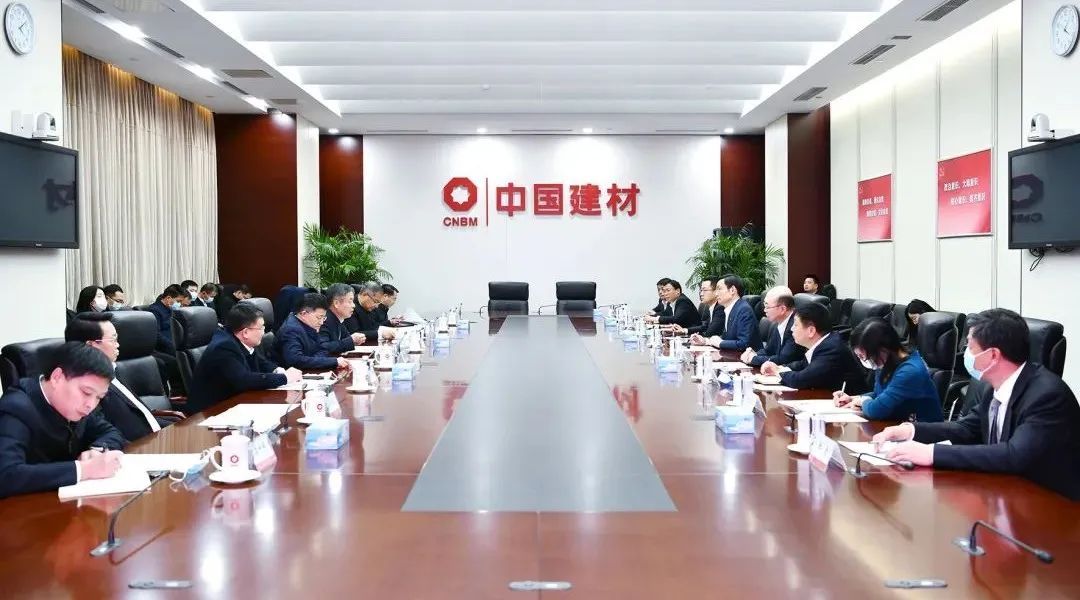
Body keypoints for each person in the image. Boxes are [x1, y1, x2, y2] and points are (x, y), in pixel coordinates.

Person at [875, 309, 1080, 500]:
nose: (966, 353)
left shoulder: (1046, 396)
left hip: (1054, 504)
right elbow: (967, 429)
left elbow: (1014, 455)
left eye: (970, 347)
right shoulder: (994, 386)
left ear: (993, 355)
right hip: (1007, 491)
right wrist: (909, 431)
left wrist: (931, 453)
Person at [0, 342, 126, 498]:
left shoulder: (79, 406)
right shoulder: (16, 408)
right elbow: (6, 475)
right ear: (57, 377)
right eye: (86, 392)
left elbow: (111, 432)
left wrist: (96, 450)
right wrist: (84, 469)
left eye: (99, 397)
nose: (91, 404)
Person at [65, 313, 172, 441]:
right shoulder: (85, 388)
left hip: (156, 437)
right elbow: (104, 436)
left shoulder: (113, 370)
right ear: (90, 345)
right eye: (113, 340)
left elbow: (143, 417)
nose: (118, 345)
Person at [185, 303, 301, 415]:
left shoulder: (237, 339)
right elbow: (244, 380)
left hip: (235, 403)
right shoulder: (224, 347)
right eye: (261, 328)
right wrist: (284, 378)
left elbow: (260, 361)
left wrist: (276, 370)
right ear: (245, 332)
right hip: (211, 412)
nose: (264, 331)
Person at [832, 318, 943, 422]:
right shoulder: (887, 362)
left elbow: (876, 410)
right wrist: (853, 399)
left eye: (864, 357)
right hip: (896, 424)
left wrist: (863, 402)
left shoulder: (910, 371)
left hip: (921, 431)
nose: (864, 360)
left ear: (883, 349)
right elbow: (879, 394)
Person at [761, 303, 868, 393]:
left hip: (850, 406)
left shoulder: (832, 348)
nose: (792, 329)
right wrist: (780, 367)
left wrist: (777, 372)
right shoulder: (823, 343)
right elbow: (802, 364)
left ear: (811, 331)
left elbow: (801, 380)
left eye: (796, 325)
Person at [275, 293, 351, 371]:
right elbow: (295, 360)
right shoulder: (291, 330)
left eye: (324, 318)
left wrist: (315, 360)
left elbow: (323, 349)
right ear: (304, 313)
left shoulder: (308, 325)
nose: (321, 322)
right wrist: (334, 361)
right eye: (319, 317)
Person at [690, 274, 761, 352]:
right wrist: (706, 341)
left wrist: (720, 343)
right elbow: (728, 338)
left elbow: (744, 344)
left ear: (732, 290)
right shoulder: (731, 309)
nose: (716, 294)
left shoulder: (743, 310)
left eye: (719, 289)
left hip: (748, 357)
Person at [742, 286, 804, 367]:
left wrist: (754, 359)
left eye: (767, 307)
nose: (764, 310)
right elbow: (769, 350)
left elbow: (784, 359)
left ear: (782, 309)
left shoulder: (796, 326)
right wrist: (753, 354)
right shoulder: (776, 323)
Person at [320, 283, 367, 353]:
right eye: (350, 301)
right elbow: (323, 347)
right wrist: (351, 341)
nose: (354, 305)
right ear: (336, 303)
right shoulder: (323, 320)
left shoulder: (339, 319)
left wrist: (355, 340)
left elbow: (346, 338)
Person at [147, 285, 186, 355]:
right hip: (163, 347)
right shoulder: (154, 310)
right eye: (178, 301)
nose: (180, 304)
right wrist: (173, 346)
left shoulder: (170, 309)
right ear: (168, 298)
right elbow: (157, 335)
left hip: (174, 343)